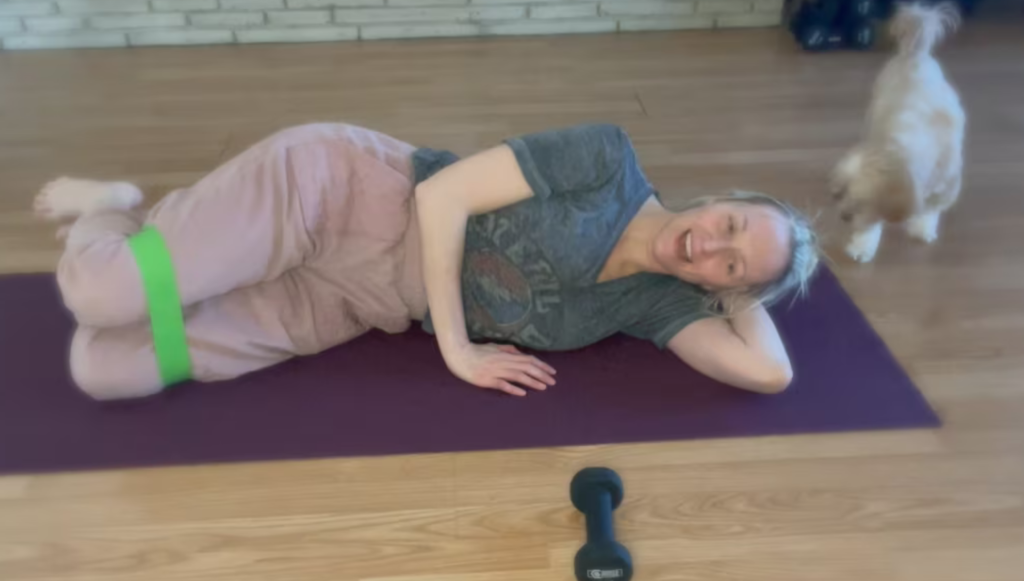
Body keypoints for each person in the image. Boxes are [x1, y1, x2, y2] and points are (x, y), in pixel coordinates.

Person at [33, 122, 819, 401]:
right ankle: (113, 208)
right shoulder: (608, 160)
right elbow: (442, 196)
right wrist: (460, 351)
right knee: (103, 293)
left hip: (355, 301)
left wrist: (752, 279)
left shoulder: (657, 305)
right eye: (731, 222)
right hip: (344, 194)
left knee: (107, 370)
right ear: (722, 194)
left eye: (730, 264)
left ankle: (173, 233)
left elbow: (768, 374)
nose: (711, 245)